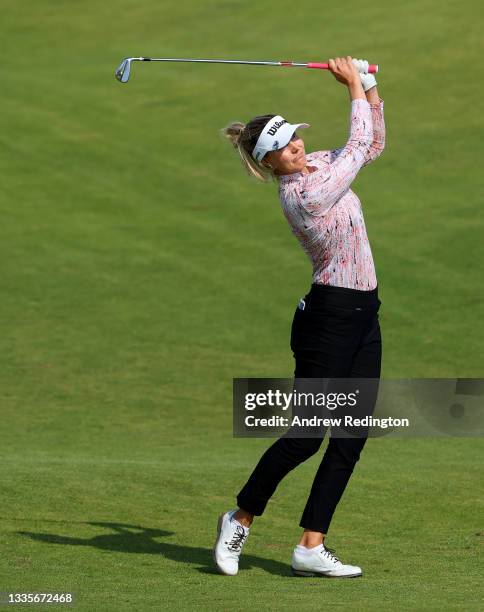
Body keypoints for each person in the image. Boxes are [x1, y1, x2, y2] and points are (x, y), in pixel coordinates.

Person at [214, 56, 385, 578]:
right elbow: (357, 147)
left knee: (351, 435)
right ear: (270, 164)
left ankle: (311, 546)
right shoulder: (304, 193)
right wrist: (352, 85)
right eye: (286, 147)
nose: (297, 147)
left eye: (296, 139)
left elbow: (371, 145)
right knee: (308, 435)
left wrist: (372, 89)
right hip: (328, 320)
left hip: (363, 313)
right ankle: (238, 517)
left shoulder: (317, 167)